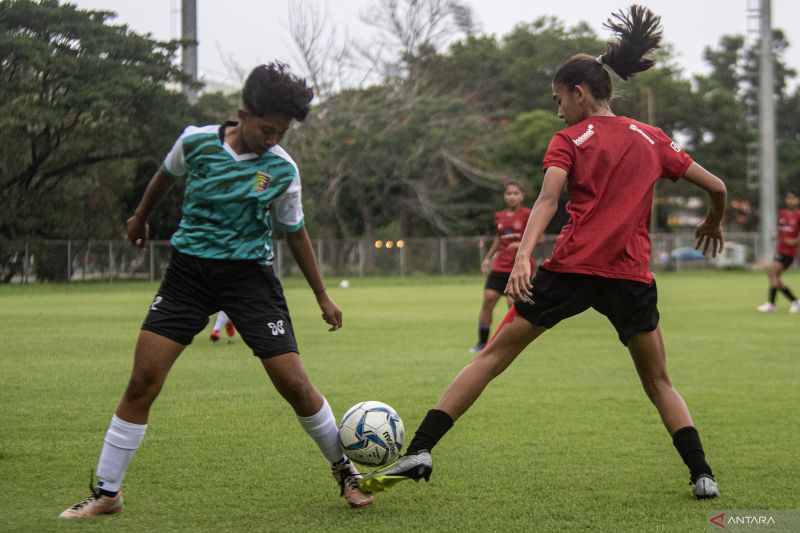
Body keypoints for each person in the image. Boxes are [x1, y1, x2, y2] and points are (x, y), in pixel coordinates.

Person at [359, 5, 725, 500]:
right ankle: (702, 475)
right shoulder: (651, 138)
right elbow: (718, 186)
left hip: (570, 270)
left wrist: (526, 256)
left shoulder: (570, 139)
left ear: (579, 93)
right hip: (631, 277)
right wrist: (713, 219)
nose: (558, 110)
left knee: (490, 359)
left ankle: (422, 449)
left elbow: (548, 200)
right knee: (659, 381)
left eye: (559, 99)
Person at [59, 62, 373, 519]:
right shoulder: (195, 142)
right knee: (143, 379)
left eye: (282, 132)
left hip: (250, 279)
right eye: (268, 129)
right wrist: (140, 216)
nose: (274, 139)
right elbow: (164, 176)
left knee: (293, 383)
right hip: (188, 275)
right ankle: (107, 493)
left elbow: (296, 231)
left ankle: (344, 469)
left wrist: (322, 295)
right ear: (242, 115)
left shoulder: (282, 169)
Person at [471, 181, 536, 353]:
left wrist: (520, 245)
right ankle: (482, 342)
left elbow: (540, 238)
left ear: (522, 196)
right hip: (500, 266)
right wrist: (488, 258)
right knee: (488, 300)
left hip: (519, 267)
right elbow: (499, 239)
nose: (512, 196)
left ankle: (511, 343)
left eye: (516, 193)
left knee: (512, 303)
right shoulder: (499, 216)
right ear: (504, 196)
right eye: (508, 193)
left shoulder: (529, 214)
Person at [756, 189, 800, 313]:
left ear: (797, 200)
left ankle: (792, 301)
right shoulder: (783, 213)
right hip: (780, 249)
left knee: (772, 273)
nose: (790, 200)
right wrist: (776, 235)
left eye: (793, 198)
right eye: (788, 198)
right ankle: (775, 303)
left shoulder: (798, 215)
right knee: (773, 275)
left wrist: (795, 241)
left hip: (789, 252)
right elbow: (782, 228)